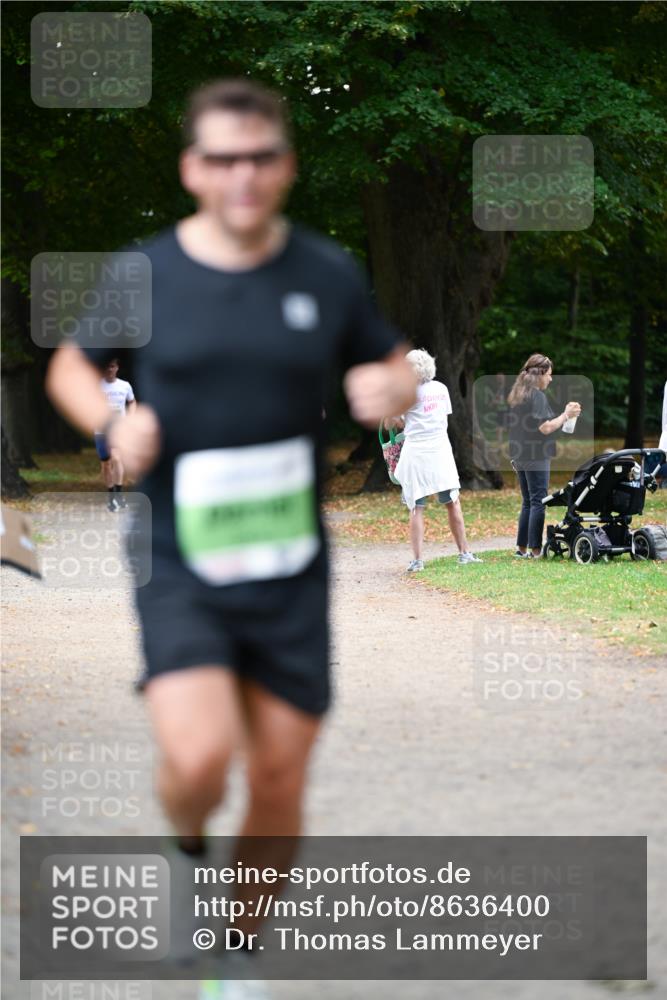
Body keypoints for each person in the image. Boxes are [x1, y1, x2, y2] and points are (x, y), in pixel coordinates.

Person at [46, 78, 417, 997]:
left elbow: (385, 359)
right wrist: (110, 419)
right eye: (221, 158)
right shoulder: (147, 271)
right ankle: (185, 856)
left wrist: (387, 389)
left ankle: (237, 957)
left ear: (285, 166)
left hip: (290, 562)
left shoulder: (325, 272)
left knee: (281, 774)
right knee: (200, 757)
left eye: (259, 157)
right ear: (191, 169)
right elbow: (71, 365)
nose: (241, 175)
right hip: (182, 555)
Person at [387, 348, 482, 571]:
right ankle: (464, 552)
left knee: (416, 506)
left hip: (416, 453)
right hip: (440, 450)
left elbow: (396, 422)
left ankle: (418, 560)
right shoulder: (441, 389)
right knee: (452, 501)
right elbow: (442, 417)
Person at [507, 353, 581, 558]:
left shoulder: (519, 393)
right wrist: (566, 415)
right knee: (538, 500)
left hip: (520, 454)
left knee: (528, 501)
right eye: (549, 374)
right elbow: (546, 427)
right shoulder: (536, 395)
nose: (551, 378)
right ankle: (536, 550)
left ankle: (522, 549)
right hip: (535, 455)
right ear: (540, 374)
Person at [95, 357, 136, 511]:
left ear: (117, 368)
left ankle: (118, 494)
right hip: (101, 430)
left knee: (117, 459)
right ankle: (111, 495)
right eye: (107, 366)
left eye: (112, 366)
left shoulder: (125, 385)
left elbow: (132, 401)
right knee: (106, 464)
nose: (109, 369)